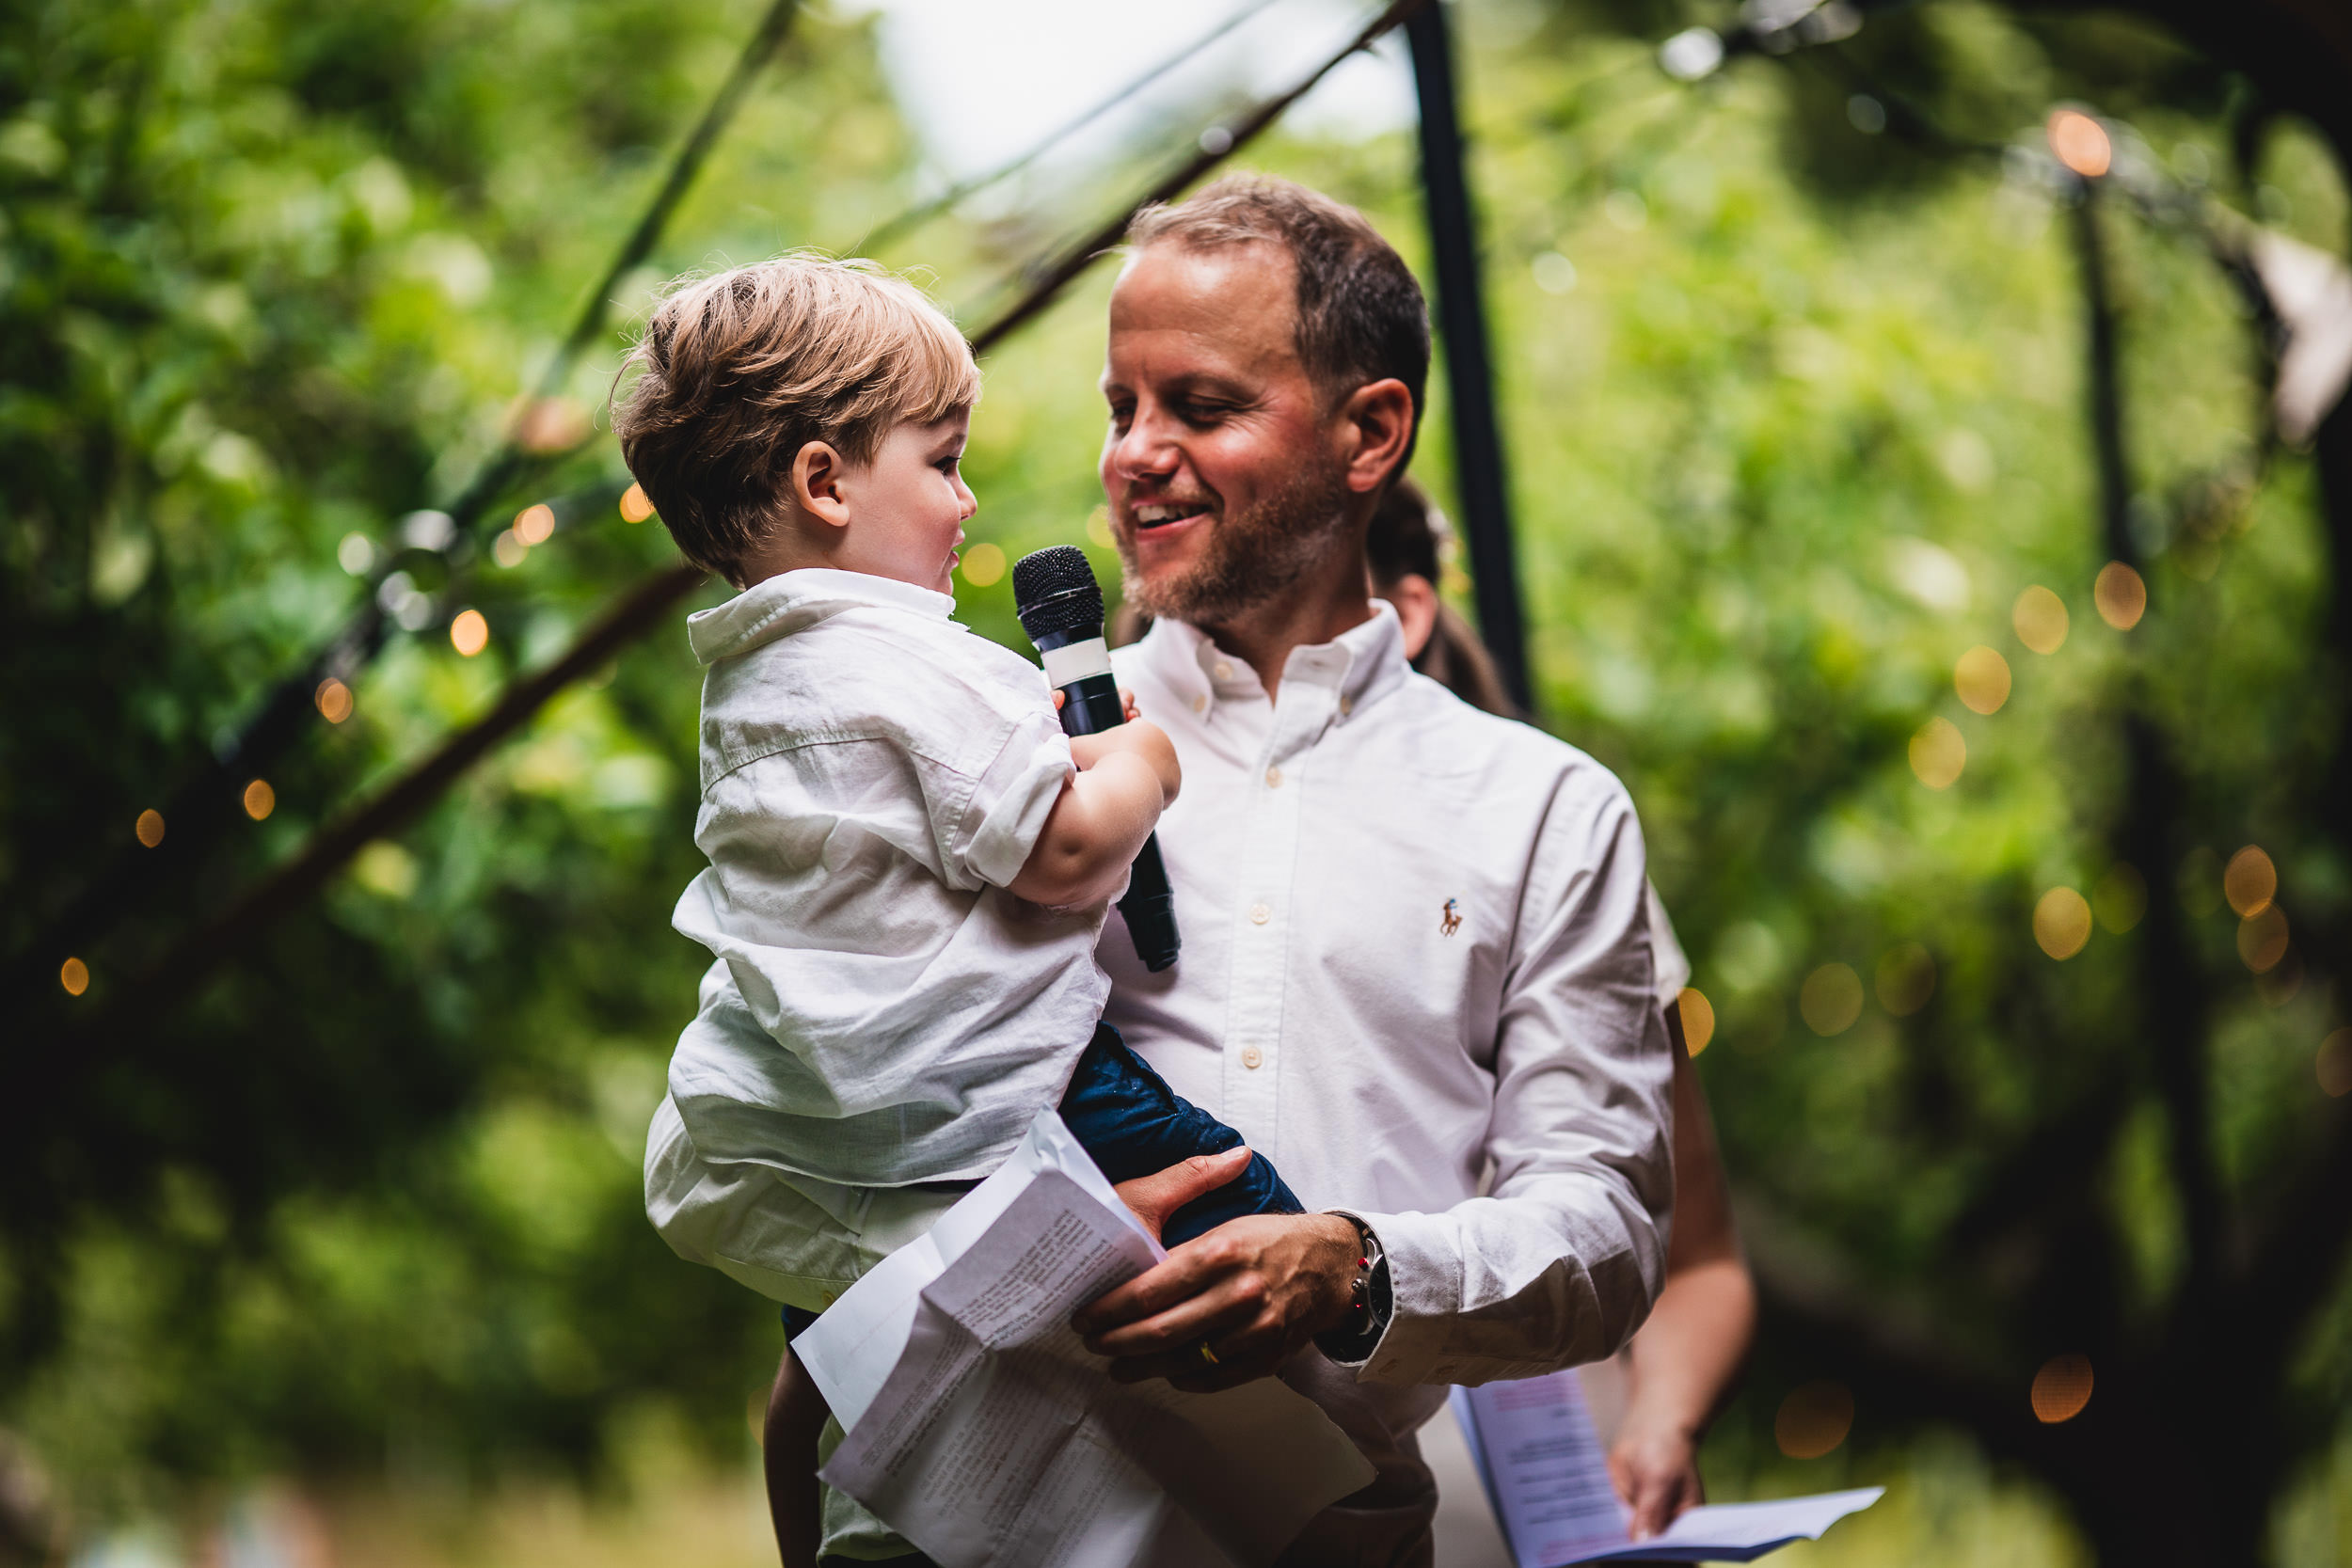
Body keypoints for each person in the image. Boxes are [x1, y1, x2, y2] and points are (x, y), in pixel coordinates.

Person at [652, 176, 1677, 1568]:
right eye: (1119, 408)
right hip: (960, 1519)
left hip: (1319, 1524)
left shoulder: (1545, 809)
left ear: (1370, 430)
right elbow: (819, 1086)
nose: (1133, 456)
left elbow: (1608, 1232)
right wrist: (989, 1270)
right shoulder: (968, 741)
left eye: (1198, 406)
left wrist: (1356, 1266)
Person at [613, 256, 1316, 1561]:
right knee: (1270, 1234)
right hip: (1016, 1099)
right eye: (941, 460)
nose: (966, 494)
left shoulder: (748, 686)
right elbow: (1062, 852)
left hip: (842, 1141)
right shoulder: (914, 657)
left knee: (883, 1386)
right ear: (827, 482)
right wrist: (1143, 758)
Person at [1365, 480, 1756, 1535]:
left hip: (1556, 1516)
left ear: (1400, 616)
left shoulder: (1560, 856)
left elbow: (1703, 1259)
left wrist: (1663, 1420)